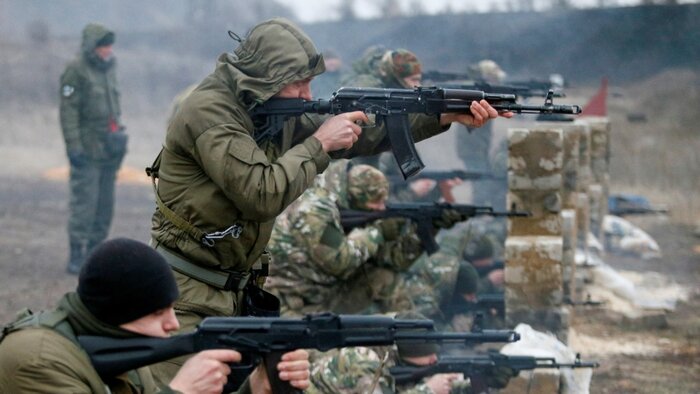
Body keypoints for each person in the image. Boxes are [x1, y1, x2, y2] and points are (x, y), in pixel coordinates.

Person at [148, 17, 506, 383]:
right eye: (299, 83)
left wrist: (444, 114)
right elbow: (261, 193)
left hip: (235, 289)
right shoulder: (210, 112)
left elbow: (362, 136)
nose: (307, 95)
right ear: (267, 78)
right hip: (187, 293)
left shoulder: (265, 107)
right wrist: (320, 143)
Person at [0, 238, 310, 394]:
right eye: (158, 312)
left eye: (171, 309)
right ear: (118, 312)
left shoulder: (124, 351)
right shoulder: (36, 360)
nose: (173, 324)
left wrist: (257, 387)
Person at [265, 160, 444, 315]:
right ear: (355, 197)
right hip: (289, 302)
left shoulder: (348, 208)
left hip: (321, 293)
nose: (381, 208)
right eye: (376, 203)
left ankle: (413, 344)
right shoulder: (315, 210)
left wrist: (430, 226)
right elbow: (339, 260)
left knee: (384, 277)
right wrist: (377, 233)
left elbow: (392, 260)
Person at [60, 23, 129, 274]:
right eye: (103, 46)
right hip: (87, 150)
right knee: (84, 203)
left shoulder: (110, 68)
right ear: (92, 46)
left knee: (104, 204)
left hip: (110, 149)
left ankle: (95, 252)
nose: (108, 50)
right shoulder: (75, 70)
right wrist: (74, 147)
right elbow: (68, 112)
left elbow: (114, 107)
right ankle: (76, 254)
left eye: (109, 45)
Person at [307, 312, 467, 394]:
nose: (435, 360)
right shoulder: (360, 360)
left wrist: (457, 385)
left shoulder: (391, 359)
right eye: (429, 358)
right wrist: (428, 390)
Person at [455, 59, 509, 210]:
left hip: (476, 147)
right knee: (480, 182)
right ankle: (478, 213)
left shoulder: (479, 92)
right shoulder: (476, 94)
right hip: (473, 148)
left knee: (481, 180)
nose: (497, 82)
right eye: (494, 78)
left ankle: (479, 210)